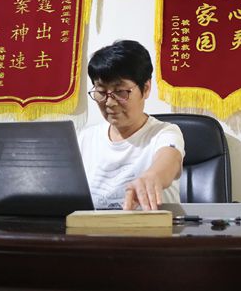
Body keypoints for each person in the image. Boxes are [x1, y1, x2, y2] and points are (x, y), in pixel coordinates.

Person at [78, 40, 185, 210]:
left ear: (146, 88)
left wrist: (153, 176)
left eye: (120, 91)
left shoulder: (164, 133)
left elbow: (170, 160)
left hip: (153, 234)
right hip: (94, 234)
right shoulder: (85, 138)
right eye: (101, 92)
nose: (110, 102)